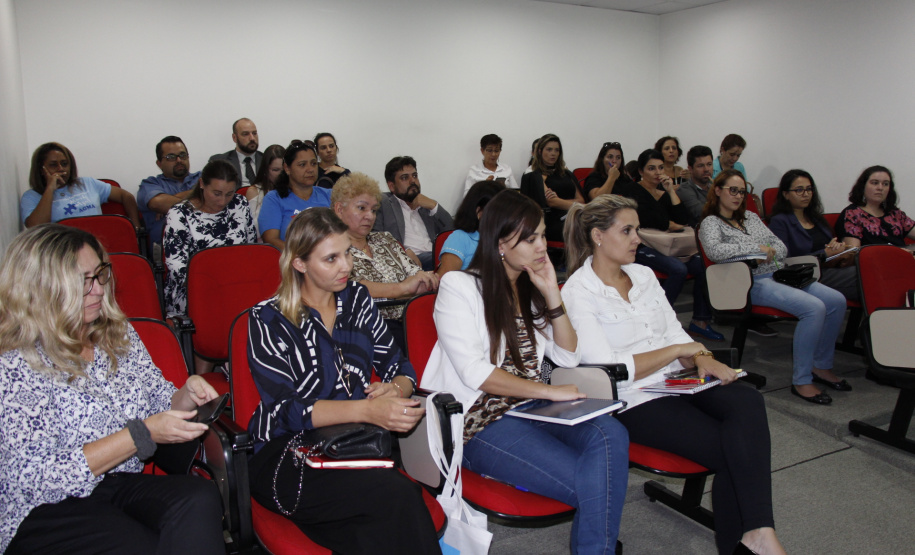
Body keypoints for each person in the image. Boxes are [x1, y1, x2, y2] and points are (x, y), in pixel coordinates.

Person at [561, 195, 787, 555]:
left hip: (676, 379)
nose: (638, 238)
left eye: (637, 229)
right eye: (628, 230)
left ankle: (757, 532)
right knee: (735, 450)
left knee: (747, 398)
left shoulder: (644, 274)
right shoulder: (577, 291)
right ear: (598, 236)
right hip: (634, 398)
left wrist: (700, 356)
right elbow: (611, 369)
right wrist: (681, 352)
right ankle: (752, 539)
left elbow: (675, 334)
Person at [421, 189, 629, 554]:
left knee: (611, 432)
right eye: (530, 238)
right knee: (597, 483)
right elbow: (475, 373)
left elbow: (567, 356)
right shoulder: (460, 287)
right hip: (481, 419)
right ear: (500, 242)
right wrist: (548, 392)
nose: (541, 246)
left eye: (541, 234)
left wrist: (551, 292)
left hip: (531, 407)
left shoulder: (529, 288)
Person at [0, 224, 224, 555]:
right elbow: (36, 478)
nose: (97, 290)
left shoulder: (116, 335)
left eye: (99, 275)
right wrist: (140, 435)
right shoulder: (16, 361)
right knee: (135, 543)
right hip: (43, 508)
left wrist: (188, 393)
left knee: (199, 498)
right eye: (82, 281)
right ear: (41, 288)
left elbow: (161, 402)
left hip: (114, 482)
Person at [246, 208, 440, 554]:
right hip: (287, 453)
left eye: (348, 252)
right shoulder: (268, 319)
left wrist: (395, 388)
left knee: (374, 530)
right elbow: (289, 411)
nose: (347, 266)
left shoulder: (357, 300)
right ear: (300, 264)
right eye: (331, 258)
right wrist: (369, 411)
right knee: (397, 499)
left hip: (351, 445)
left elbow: (402, 367)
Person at [699, 170, 849, 402]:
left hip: (779, 274)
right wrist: (757, 250)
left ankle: (821, 365)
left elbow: (779, 247)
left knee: (837, 301)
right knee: (814, 308)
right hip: (747, 283)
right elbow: (716, 251)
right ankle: (802, 380)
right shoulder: (711, 222)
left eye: (742, 191)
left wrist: (762, 251)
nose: (738, 196)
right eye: (732, 190)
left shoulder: (750, 217)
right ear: (718, 191)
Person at [617, 149, 723, 342]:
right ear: (641, 171)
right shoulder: (631, 190)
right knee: (678, 269)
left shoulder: (664, 192)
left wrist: (671, 191)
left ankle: (700, 321)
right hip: (641, 246)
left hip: (668, 246)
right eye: (651, 168)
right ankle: (661, 319)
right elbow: (643, 218)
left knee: (701, 265)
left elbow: (681, 217)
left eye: (660, 167)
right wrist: (667, 224)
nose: (657, 172)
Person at [331, 172, 438, 351]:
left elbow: (414, 274)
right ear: (339, 210)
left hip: (410, 318)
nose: (370, 216)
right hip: (368, 327)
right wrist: (401, 288)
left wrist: (424, 281)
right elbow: (348, 287)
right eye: (361, 208)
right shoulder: (331, 248)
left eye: (373, 210)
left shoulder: (385, 239)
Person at [163, 159, 257, 316]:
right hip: (195, 289)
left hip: (237, 283)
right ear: (201, 184)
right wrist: (216, 285)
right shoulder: (179, 214)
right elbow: (176, 266)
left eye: (229, 194)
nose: (222, 201)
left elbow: (251, 250)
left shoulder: (239, 204)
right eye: (217, 193)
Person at [769, 169, 859, 302]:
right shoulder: (779, 221)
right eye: (799, 190)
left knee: (867, 269)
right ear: (786, 194)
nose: (805, 194)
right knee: (862, 275)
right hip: (804, 275)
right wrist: (824, 253)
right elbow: (785, 260)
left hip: (828, 268)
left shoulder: (815, 218)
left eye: (809, 189)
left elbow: (828, 244)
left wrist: (837, 247)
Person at [21, 142, 141, 229]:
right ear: (41, 170)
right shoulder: (31, 196)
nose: (61, 169)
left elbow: (126, 196)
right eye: (53, 165)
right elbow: (35, 227)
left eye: (64, 164)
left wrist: (135, 227)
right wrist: (50, 189)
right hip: (62, 250)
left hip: (98, 242)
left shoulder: (87, 183)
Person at [374, 155, 453, 271]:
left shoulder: (425, 205)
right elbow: (375, 237)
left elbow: (452, 231)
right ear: (391, 186)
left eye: (415, 176)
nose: (413, 181)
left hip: (434, 256)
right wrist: (403, 251)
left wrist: (434, 206)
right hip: (410, 260)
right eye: (405, 178)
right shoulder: (383, 202)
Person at [258, 140, 332, 250]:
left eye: (313, 163)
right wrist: (302, 257)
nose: (310, 169)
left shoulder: (329, 195)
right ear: (287, 168)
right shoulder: (274, 199)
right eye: (302, 165)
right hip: (293, 260)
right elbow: (271, 240)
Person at [519, 133, 584, 243]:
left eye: (556, 150)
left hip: (572, 217)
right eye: (549, 150)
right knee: (579, 229)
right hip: (550, 220)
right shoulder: (535, 175)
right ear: (540, 151)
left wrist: (564, 202)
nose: (553, 154)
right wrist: (577, 205)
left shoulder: (567, 173)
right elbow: (552, 202)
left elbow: (581, 200)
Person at [138, 136, 202, 245]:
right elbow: (159, 203)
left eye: (182, 155)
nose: (179, 160)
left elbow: (220, 199)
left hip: (205, 240)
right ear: (159, 163)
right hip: (169, 247)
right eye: (171, 157)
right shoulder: (150, 184)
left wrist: (174, 200)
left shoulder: (202, 177)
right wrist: (200, 195)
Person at [437, 180, 505, 277]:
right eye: (499, 211)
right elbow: (444, 281)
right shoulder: (460, 238)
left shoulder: (505, 237)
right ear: (479, 212)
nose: (505, 216)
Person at [835, 165, 915, 248]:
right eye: (875, 183)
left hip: (904, 259)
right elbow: (854, 252)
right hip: (872, 259)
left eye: (885, 184)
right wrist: (897, 253)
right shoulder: (852, 214)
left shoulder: (895, 214)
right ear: (863, 186)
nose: (880, 188)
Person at [208, 118, 262, 188]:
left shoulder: (266, 160)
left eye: (254, 133)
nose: (252, 138)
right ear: (234, 138)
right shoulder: (220, 162)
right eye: (245, 134)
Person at [246, 144, 286, 235]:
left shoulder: (296, 190)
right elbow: (252, 228)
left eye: (284, 170)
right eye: (276, 170)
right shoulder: (254, 191)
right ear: (265, 170)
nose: (281, 174)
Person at [679, 145, 715, 228]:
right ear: (690, 169)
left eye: (709, 164)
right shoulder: (684, 189)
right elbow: (702, 213)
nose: (706, 169)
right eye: (700, 166)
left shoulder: (714, 187)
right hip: (696, 235)